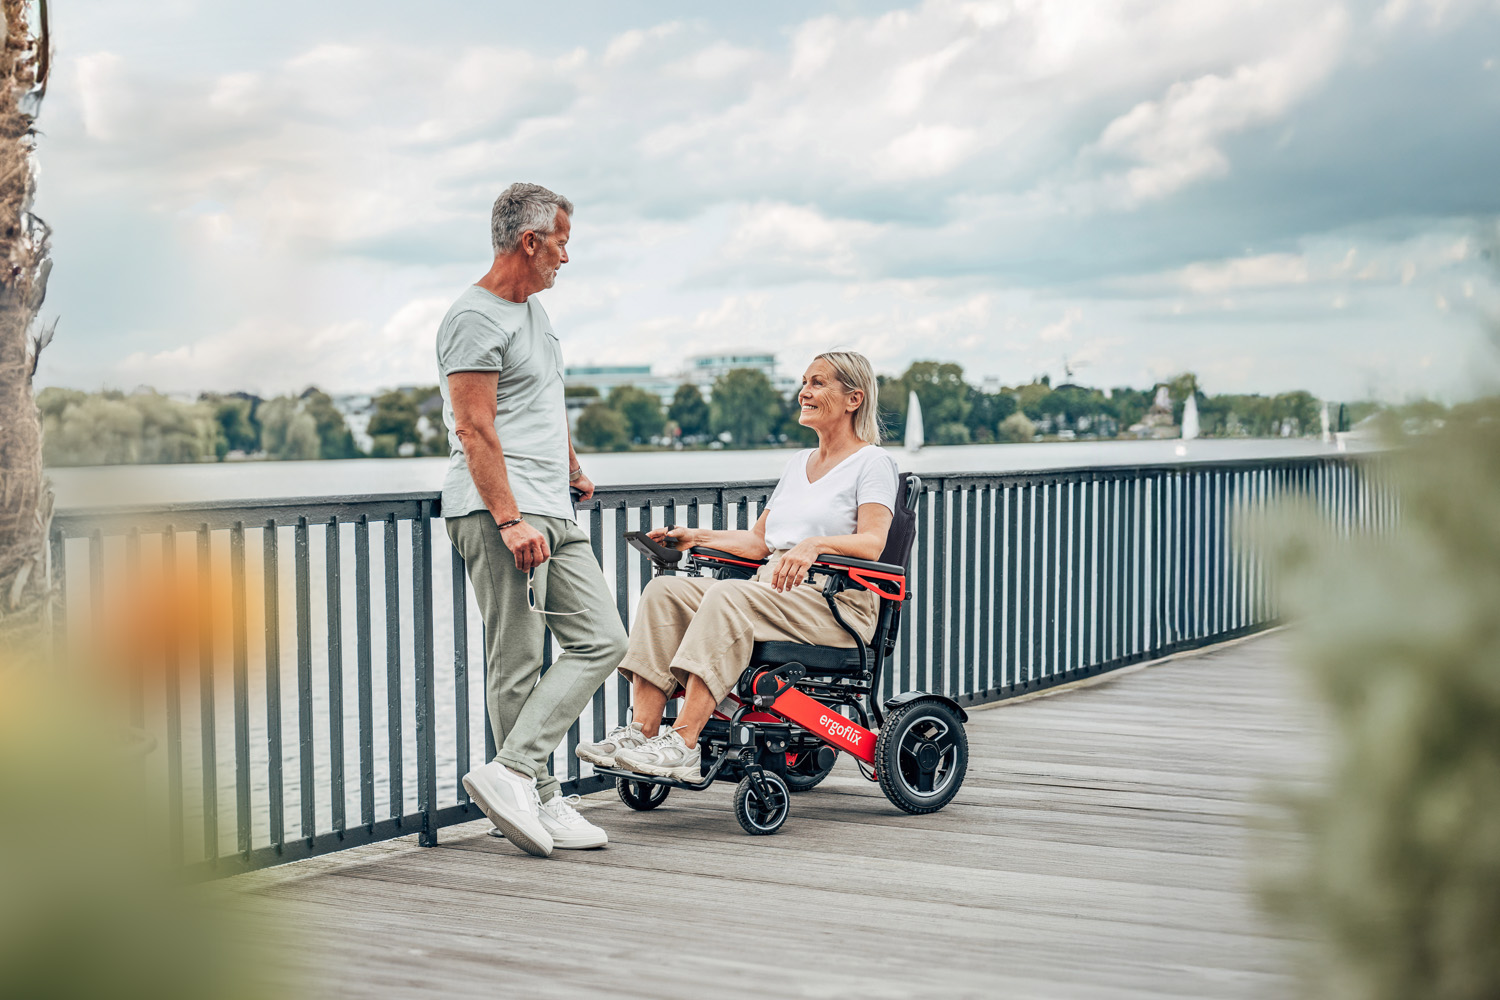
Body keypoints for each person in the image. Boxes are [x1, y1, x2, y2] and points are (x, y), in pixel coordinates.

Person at [575, 351, 898, 780]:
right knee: (664, 591)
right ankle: (642, 733)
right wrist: (695, 537)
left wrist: (814, 546)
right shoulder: (799, 463)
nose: (804, 392)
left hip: (833, 604)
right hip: (774, 591)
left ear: (853, 398)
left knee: (729, 595)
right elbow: (759, 541)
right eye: (804, 382)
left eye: (818, 383)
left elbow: (874, 543)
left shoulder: (873, 462)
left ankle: (685, 744)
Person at [440, 183, 627, 858]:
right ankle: (536, 798)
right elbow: (474, 426)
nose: (565, 259)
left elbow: (544, 402)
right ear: (530, 241)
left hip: (553, 504)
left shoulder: (535, 316)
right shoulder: (474, 318)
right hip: (502, 513)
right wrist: (510, 517)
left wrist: (572, 465)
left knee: (603, 638)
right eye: (563, 243)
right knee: (517, 660)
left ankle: (515, 773)